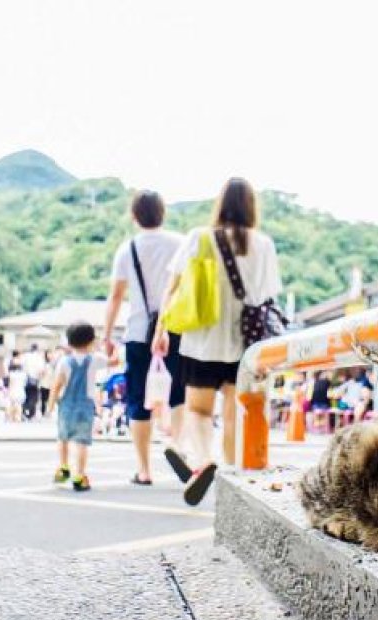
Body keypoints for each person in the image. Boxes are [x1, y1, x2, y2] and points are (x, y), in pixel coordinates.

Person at [153, 178, 282, 505]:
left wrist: (160, 330)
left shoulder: (199, 237)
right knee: (233, 411)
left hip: (202, 340)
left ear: (220, 204)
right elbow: (268, 295)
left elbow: (173, 287)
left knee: (198, 410)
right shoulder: (263, 244)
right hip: (246, 343)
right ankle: (232, 476)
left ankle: (203, 461)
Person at [104, 189, 188, 485]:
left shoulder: (128, 249)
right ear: (163, 213)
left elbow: (116, 296)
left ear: (134, 215)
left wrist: (107, 335)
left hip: (139, 332)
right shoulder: (180, 244)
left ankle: (144, 470)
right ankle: (177, 447)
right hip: (177, 330)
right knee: (179, 394)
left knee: (138, 400)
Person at [48, 322, 114, 491]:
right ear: (92, 341)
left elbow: (57, 385)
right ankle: (79, 475)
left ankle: (63, 467)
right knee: (82, 442)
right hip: (85, 406)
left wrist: (49, 405)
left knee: (63, 438)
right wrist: (105, 345)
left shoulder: (64, 361)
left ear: (69, 343)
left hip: (66, 405)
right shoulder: (96, 359)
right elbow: (114, 361)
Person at [21, 344, 46, 420]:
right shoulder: (39, 357)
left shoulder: (25, 356)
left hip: (25, 379)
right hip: (35, 379)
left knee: (26, 396)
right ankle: (31, 413)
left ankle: (25, 411)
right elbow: (41, 369)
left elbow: (22, 366)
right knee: (33, 396)